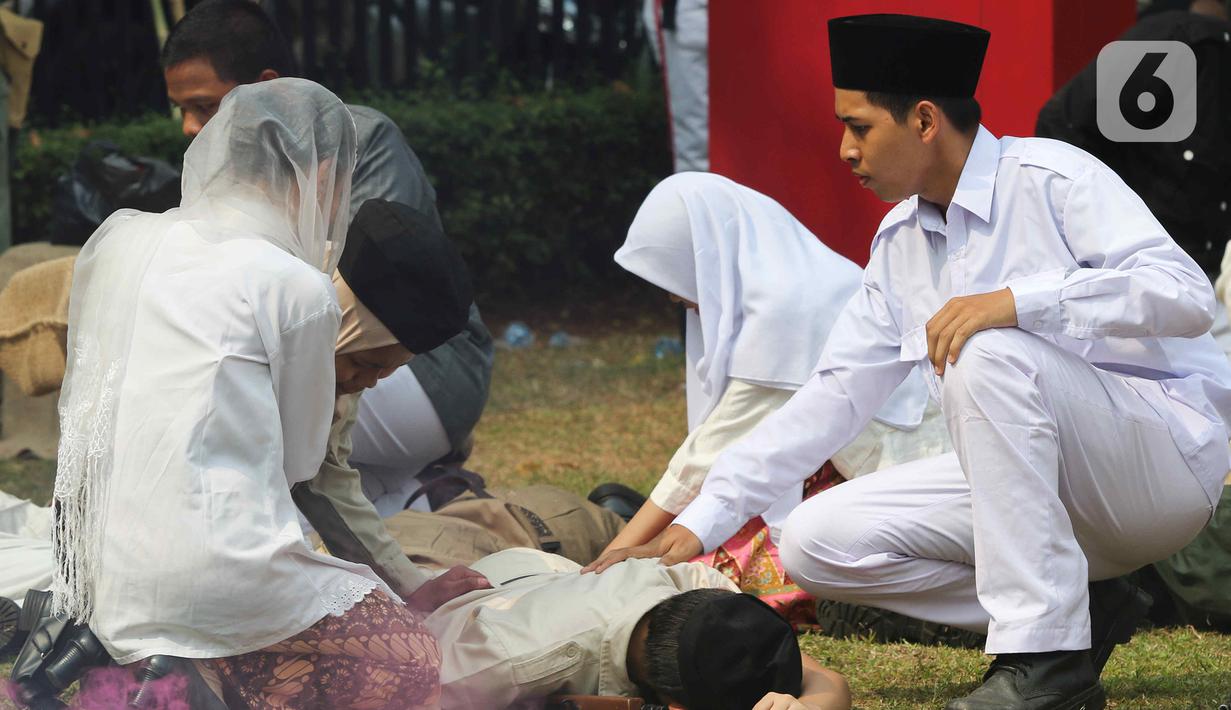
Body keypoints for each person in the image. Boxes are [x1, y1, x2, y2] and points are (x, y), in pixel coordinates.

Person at [596, 14, 1231, 710]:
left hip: (1158, 468)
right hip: (1054, 497)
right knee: (814, 541)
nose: (845, 150)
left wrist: (1016, 302)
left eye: (859, 127)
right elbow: (830, 399)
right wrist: (700, 521)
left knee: (983, 347)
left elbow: (1183, 295)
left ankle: (1044, 662)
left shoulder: (1052, 179)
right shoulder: (899, 243)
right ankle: (1079, 609)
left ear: (924, 121)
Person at [50, 78, 440, 708]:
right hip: (220, 576)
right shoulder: (298, 288)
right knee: (413, 657)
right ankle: (195, 675)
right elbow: (300, 463)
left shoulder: (121, 240)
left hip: (104, 575)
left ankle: (173, 675)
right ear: (319, 175)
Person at [161, 0, 494, 605]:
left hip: (412, 364)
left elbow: (382, 294)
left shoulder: (349, 149)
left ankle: (405, 490)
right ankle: (403, 493)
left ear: (264, 87)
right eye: (182, 109)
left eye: (205, 106)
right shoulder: (269, 298)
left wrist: (406, 586)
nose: (189, 127)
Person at [588, 171, 949, 627]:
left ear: (706, 256)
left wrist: (607, 565)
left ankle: (888, 604)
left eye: (674, 277)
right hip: (847, 466)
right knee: (710, 538)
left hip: (905, 479)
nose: (673, 296)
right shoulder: (795, 279)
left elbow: (706, 456)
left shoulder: (786, 313)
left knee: (715, 572)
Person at [424, 547, 851, 710]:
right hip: (467, 587)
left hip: (557, 567)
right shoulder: (506, 662)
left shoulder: (702, 593)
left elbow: (826, 679)